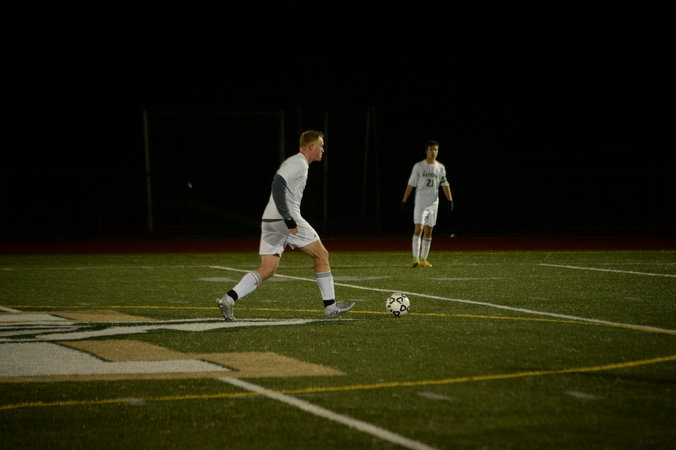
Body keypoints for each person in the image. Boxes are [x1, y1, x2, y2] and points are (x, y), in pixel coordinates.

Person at [216, 130, 355, 321]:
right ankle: (331, 308)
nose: (323, 149)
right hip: (285, 218)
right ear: (311, 147)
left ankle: (229, 299)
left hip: (270, 219)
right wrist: (288, 217)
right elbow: (277, 185)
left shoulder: (295, 163)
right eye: (321, 146)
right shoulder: (299, 163)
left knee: (268, 269)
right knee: (321, 254)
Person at [401, 140, 454, 267]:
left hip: (434, 203)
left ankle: (423, 260)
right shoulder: (419, 167)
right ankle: (415, 258)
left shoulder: (440, 167)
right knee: (418, 228)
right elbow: (411, 184)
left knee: (429, 231)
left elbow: (445, 184)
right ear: (426, 151)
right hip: (421, 202)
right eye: (431, 149)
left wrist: (450, 200)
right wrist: (404, 200)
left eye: (436, 150)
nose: (433, 152)